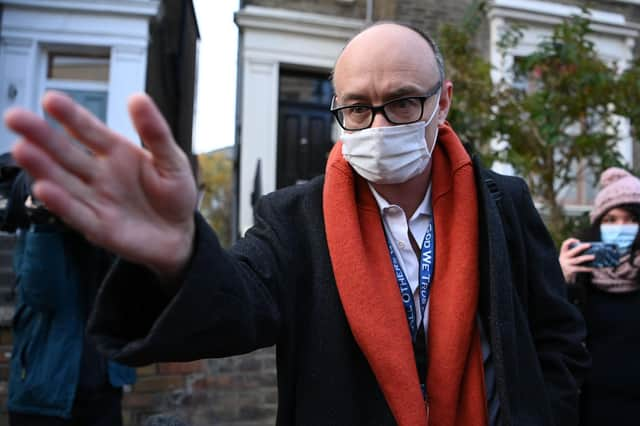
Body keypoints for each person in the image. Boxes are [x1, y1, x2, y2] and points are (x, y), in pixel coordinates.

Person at [4, 22, 588, 426]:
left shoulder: (504, 203)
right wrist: (178, 254)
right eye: (357, 107)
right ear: (338, 111)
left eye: (403, 102)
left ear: (444, 102)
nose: (379, 126)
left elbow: (556, 334)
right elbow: (236, 306)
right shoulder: (293, 220)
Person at [0, 160, 136, 425]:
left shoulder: (108, 229)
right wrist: (44, 219)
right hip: (43, 395)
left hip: (103, 393)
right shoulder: (36, 226)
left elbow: (129, 291)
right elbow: (43, 295)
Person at [559, 167, 640, 426]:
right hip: (591, 407)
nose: (621, 227)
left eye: (631, 219)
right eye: (611, 219)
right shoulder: (582, 279)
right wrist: (561, 281)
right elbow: (555, 338)